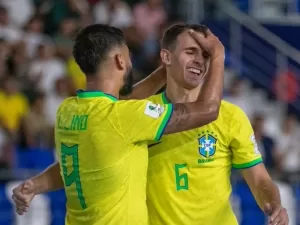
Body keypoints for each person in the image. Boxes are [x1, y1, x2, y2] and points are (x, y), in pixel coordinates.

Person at [12, 23, 224, 225]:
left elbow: (76, 166)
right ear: (120, 60)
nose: (131, 61)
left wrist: (35, 185)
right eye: (128, 55)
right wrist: (217, 56)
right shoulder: (124, 118)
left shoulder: (68, 111)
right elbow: (207, 110)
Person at [145, 24, 288, 225]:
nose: (199, 60)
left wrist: (274, 205)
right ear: (166, 57)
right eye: (190, 52)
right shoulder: (143, 113)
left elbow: (259, 179)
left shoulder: (231, 116)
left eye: (205, 55)